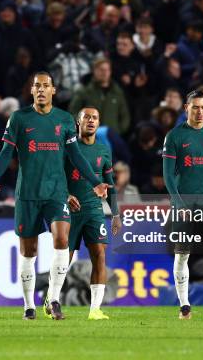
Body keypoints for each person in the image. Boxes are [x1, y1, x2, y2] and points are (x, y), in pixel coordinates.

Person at [0, 71, 109, 321]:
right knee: (29, 252)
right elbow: (7, 152)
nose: (41, 89)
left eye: (45, 86)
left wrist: (96, 182)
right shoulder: (19, 118)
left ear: (53, 90)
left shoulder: (64, 119)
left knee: (62, 240)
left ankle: (53, 298)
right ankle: (29, 305)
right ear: (32, 91)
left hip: (56, 193)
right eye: (36, 86)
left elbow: (76, 156)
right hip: (28, 194)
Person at [162, 90, 203, 321]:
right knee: (182, 255)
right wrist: (179, 203)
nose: (200, 112)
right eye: (195, 107)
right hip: (185, 207)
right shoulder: (174, 137)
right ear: (186, 109)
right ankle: (184, 306)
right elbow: (168, 177)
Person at [65, 107, 121, 320]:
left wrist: (115, 213)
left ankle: (95, 309)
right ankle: (52, 300)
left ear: (98, 123)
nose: (91, 120)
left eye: (95, 117)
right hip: (69, 211)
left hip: (94, 211)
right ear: (78, 122)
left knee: (99, 255)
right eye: (86, 117)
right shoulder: (68, 148)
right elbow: (57, 178)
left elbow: (110, 185)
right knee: (64, 259)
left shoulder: (103, 150)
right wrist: (66, 195)